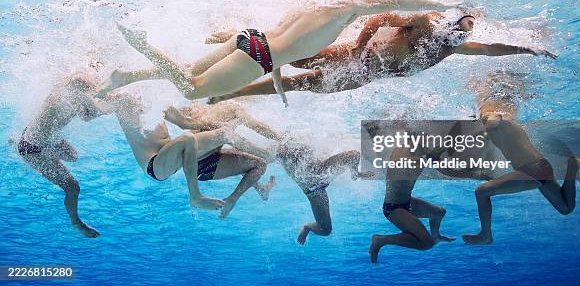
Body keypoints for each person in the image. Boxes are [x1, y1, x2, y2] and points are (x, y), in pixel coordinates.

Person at [98, 0, 458, 103]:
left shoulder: (315, 10)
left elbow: (284, 45)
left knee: (190, 70)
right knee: (192, 89)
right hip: (260, 56)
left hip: (252, 39)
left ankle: (127, 76)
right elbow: (386, 6)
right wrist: (436, 2)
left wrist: (278, 76)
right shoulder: (342, 19)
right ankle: (143, 47)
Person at [206, 9, 557, 103]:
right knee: (296, 60)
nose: (461, 36)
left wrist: (527, 47)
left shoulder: (454, 46)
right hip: (360, 60)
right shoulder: (425, 23)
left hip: (366, 76)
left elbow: (492, 50)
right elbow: (381, 16)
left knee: (303, 87)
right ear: (451, 22)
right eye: (459, 28)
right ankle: (236, 36)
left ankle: (232, 92)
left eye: (465, 33)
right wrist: (359, 45)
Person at [162, 101, 373, 243]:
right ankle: (251, 193)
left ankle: (303, 223)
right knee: (264, 157)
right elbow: (352, 155)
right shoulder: (286, 151)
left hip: (314, 189)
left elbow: (352, 156)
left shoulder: (318, 175)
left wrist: (357, 175)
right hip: (201, 159)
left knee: (326, 230)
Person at [461, 73, 580, 245]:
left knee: (481, 192)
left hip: (533, 170)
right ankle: (572, 167)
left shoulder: (493, 117)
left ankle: (486, 235)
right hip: (539, 168)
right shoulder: (500, 120)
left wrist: (487, 123)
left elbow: (494, 119)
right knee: (565, 208)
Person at [106, 93, 274, 218]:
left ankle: (269, 157)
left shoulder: (156, 101)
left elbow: (187, 123)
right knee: (190, 138)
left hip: (179, 155)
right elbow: (95, 109)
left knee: (225, 133)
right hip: (156, 165)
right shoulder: (122, 100)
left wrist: (219, 125)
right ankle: (195, 196)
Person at [13, 73, 110, 237]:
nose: (94, 90)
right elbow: (93, 112)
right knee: (73, 188)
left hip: (44, 138)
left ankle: (43, 154)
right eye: (91, 87)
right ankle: (76, 222)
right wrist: (116, 102)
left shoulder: (68, 89)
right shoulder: (69, 94)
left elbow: (85, 115)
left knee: (73, 156)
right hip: (31, 149)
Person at [367, 135, 455, 263]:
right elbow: (399, 163)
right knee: (426, 244)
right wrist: (427, 157)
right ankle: (380, 240)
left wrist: (472, 174)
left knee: (439, 212)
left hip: (407, 202)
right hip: (393, 208)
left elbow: (445, 170)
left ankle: (436, 237)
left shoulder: (423, 151)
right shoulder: (402, 153)